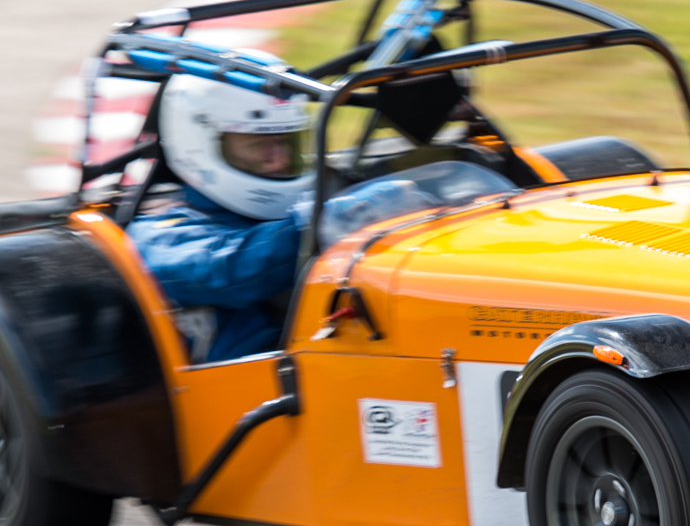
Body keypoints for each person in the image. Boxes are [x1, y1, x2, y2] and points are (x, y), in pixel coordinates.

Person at [128, 70, 516, 363]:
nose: (278, 159)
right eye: (258, 144)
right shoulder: (159, 234)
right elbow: (232, 269)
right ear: (201, 144)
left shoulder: (312, 201)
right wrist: (334, 220)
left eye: (285, 141)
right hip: (255, 401)